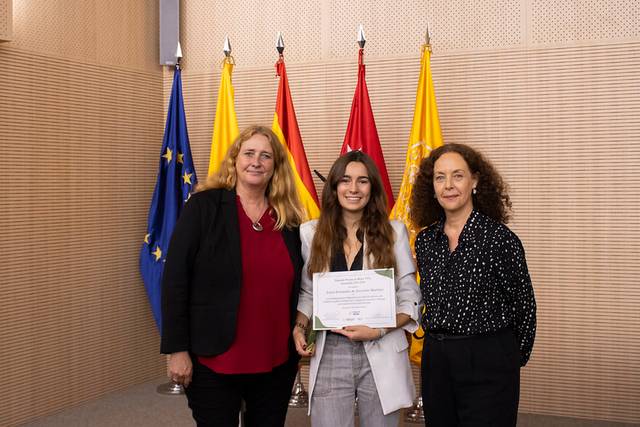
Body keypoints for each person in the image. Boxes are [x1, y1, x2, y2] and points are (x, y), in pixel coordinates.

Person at [160, 125, 306, 427]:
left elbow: (301, 284)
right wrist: (177, 349)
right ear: (235, 159)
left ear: (275, 166)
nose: (256, 162)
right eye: (249, 153)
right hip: (214, 358)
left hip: (274, 360)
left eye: (266, 156)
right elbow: (175, 280)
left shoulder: (288, 219)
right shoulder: (204, 207)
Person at [410, 143, 537, 427]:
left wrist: (507, 360)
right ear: (431, 186)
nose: (448, 185)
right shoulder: (426, 241)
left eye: (458, 176)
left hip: (488, 359)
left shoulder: (500, 239)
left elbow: (525, 308)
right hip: (437, 360)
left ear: (475, 181)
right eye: (440, 177)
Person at [292, 151, 421, 427]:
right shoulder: (310, 233)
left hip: (382, 345)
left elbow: (410, 297)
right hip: (330, 350)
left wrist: (379, 329)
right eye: (346, 180)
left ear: (372, 188)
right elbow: (308, 293)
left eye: (362, 181)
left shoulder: (394, 232)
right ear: (334, 186)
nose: (353, 188)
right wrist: (299, 327)